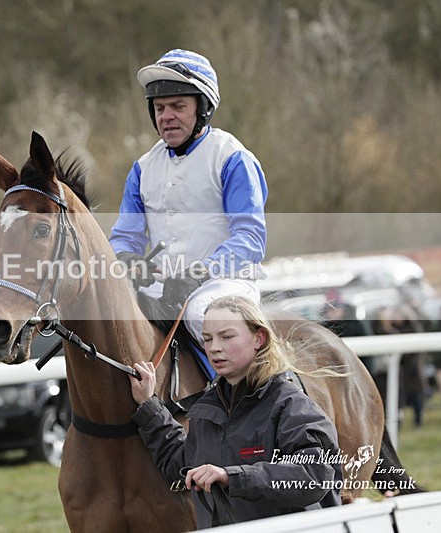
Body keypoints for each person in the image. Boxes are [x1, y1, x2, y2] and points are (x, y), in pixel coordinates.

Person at [128, 295, 341, 527]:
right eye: (207, 339)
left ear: (259, 338)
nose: (215, 348)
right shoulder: (205, 410)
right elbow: (180, 464)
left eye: (227, 336)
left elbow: (315, 476)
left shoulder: (292, 405)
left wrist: (232, 476)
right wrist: (149, 406)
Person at [109, 49, 268, 344]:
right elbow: (124, 237)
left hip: (224, 286)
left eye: (178, 106)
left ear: (202, 108)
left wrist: (200, 272)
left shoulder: (232, 158)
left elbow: (251, 237)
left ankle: (257, 389)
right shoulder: (142, 169)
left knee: (201, 315)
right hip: (162, 287)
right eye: (159, 108)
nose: (166, 117)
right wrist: (127, 259)